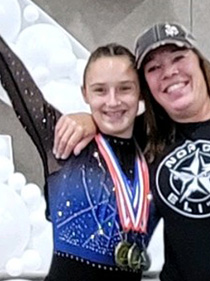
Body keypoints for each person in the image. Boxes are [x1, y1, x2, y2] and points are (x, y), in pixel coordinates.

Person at [53, 22, 210, 281]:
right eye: (154, 68)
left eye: (179, 57)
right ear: (145, 87)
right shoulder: (145, 141)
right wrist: (87, 120)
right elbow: (112, 116)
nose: (170, 72)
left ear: (200, 64)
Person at [0, 37, 158, 281]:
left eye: (125, 88)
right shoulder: (64, 140)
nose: (113, 101)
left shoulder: (153, 150)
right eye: (100, 90)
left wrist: (93, 120)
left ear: (140, 93)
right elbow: (11, 73)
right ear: (85, 93)